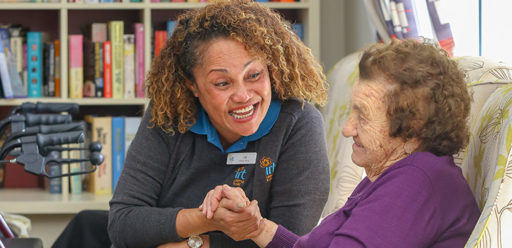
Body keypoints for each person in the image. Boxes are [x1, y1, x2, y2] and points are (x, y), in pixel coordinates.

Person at [201, 39, 481, 248]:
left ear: (413, 127)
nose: (348, 129)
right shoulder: (395, 172)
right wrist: (256, 226)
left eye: (363, 116)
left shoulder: (416, 181)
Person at [105, 0, 330, 248]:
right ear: (193, 85)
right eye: (223, 83)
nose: (243, 96)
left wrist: (196, 246)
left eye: (254, 75)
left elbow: (291, 242)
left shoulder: (298, 124)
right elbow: (123, 223)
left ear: (271, 68)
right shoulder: (168, 115)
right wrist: (207, 219)